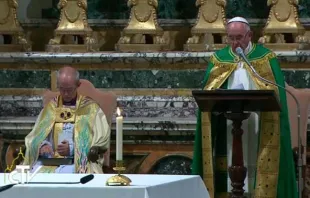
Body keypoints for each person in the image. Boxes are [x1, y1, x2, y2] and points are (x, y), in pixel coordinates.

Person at [192, 17, 298, 198]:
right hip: (228, 124)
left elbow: (275, 92)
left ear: (250, 35)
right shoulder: (219, 59)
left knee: (256, 158)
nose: (235, 43)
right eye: (231, 38)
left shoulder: (266, 58)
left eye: (239, 37)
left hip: (258, 124)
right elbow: (209, 91)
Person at [22, 66, 110, 174]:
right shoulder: (51, 107)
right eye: (62, 89)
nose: (66, 94)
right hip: (50, 161)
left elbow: (100, 140)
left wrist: (72, 149)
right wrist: (43, 145)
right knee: (32, 174)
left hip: (77, 163)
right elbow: (36, 135)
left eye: (69, 90)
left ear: (78, 85)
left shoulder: (90, 109)